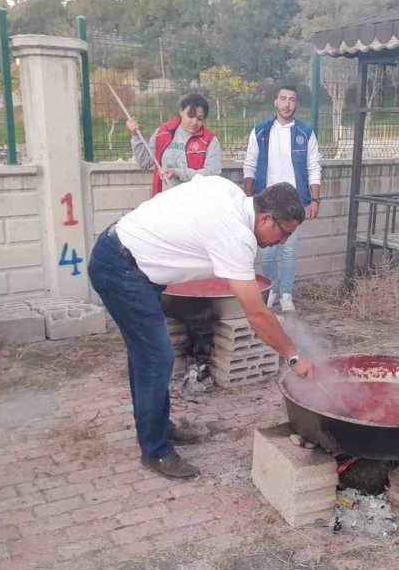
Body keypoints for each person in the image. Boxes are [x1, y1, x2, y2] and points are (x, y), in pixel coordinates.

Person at [88, 176, 317, 480]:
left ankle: (156, 424)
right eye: (284, 233)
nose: (283, 242)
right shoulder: (237, 236)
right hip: (122, 269)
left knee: (147, 355)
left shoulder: (228, 190)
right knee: (156, 358)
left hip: (126, 256)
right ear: (265, 219)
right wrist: (293, 356)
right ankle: (155, 451)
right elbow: (258, 315)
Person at [243, 85, 322, 313]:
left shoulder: (305, 134)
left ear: (297, 105)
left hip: (294, 205)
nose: (287, 104)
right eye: (283, 99)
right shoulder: (260, 132)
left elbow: (313, 167)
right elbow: (249, 165)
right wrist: (248, 196)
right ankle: (272, 291)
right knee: (266, 251)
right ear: (275, 102)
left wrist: (315, 200)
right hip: (265, 203)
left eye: (292, 100)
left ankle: (286, 294)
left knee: (288, 251)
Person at [127, 93, 222, 196]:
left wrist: (179, 172)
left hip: (195, 203)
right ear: (181, 111)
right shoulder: (163, 132)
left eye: (200, 119)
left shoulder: (210, 140)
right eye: (190, 115)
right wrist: (135, 135)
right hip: (166, 203)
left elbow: (212, 175)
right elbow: (144, 162)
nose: (194, 122)